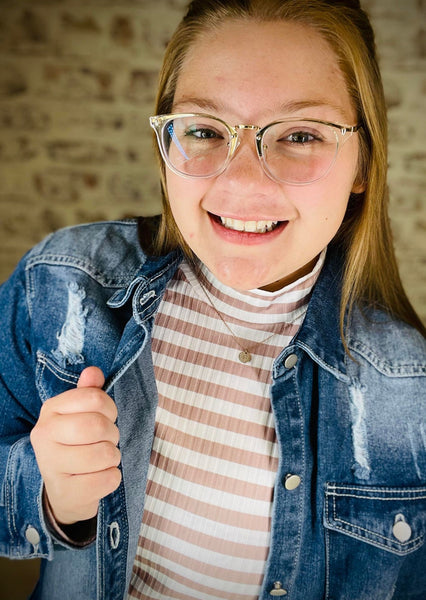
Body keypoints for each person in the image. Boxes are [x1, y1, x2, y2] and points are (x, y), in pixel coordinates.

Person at [0, 0, 425, 598]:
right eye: (204, 129)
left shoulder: (413, 391)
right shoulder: (62, 287)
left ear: (364, 161)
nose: (243, 182)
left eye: (299, 134)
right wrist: (45, 493)